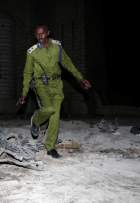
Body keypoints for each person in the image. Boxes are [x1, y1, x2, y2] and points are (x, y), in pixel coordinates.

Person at [18, 25, 91, 158]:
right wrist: (24, 92)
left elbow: (68, 63)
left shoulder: (57, 47)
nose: (40, 37)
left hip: (57, 84)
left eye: (42, 34)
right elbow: (28, 73)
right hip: (41, 84)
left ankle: (50, 147)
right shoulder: (32, 52)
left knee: (55, 115)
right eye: (37, 34)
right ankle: (36, 120)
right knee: (49, 109)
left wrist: (81, 78)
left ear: (48, 33)